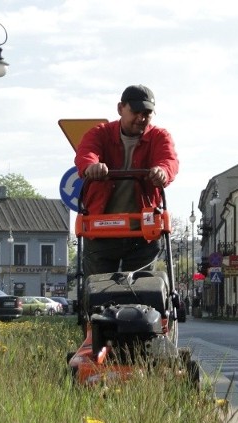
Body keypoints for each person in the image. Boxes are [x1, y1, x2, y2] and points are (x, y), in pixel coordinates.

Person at [75, 84, 179, 279]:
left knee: (142, 289)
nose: (141, 118)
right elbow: (86, 153)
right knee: (98, 288)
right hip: (101, 231)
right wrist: (92, 166)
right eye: (136, 112)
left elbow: (169, 160)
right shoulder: (99, 133)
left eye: (147, 113)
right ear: (120, 108)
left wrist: (162, 171)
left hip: (143, 231)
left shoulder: (159, 137)